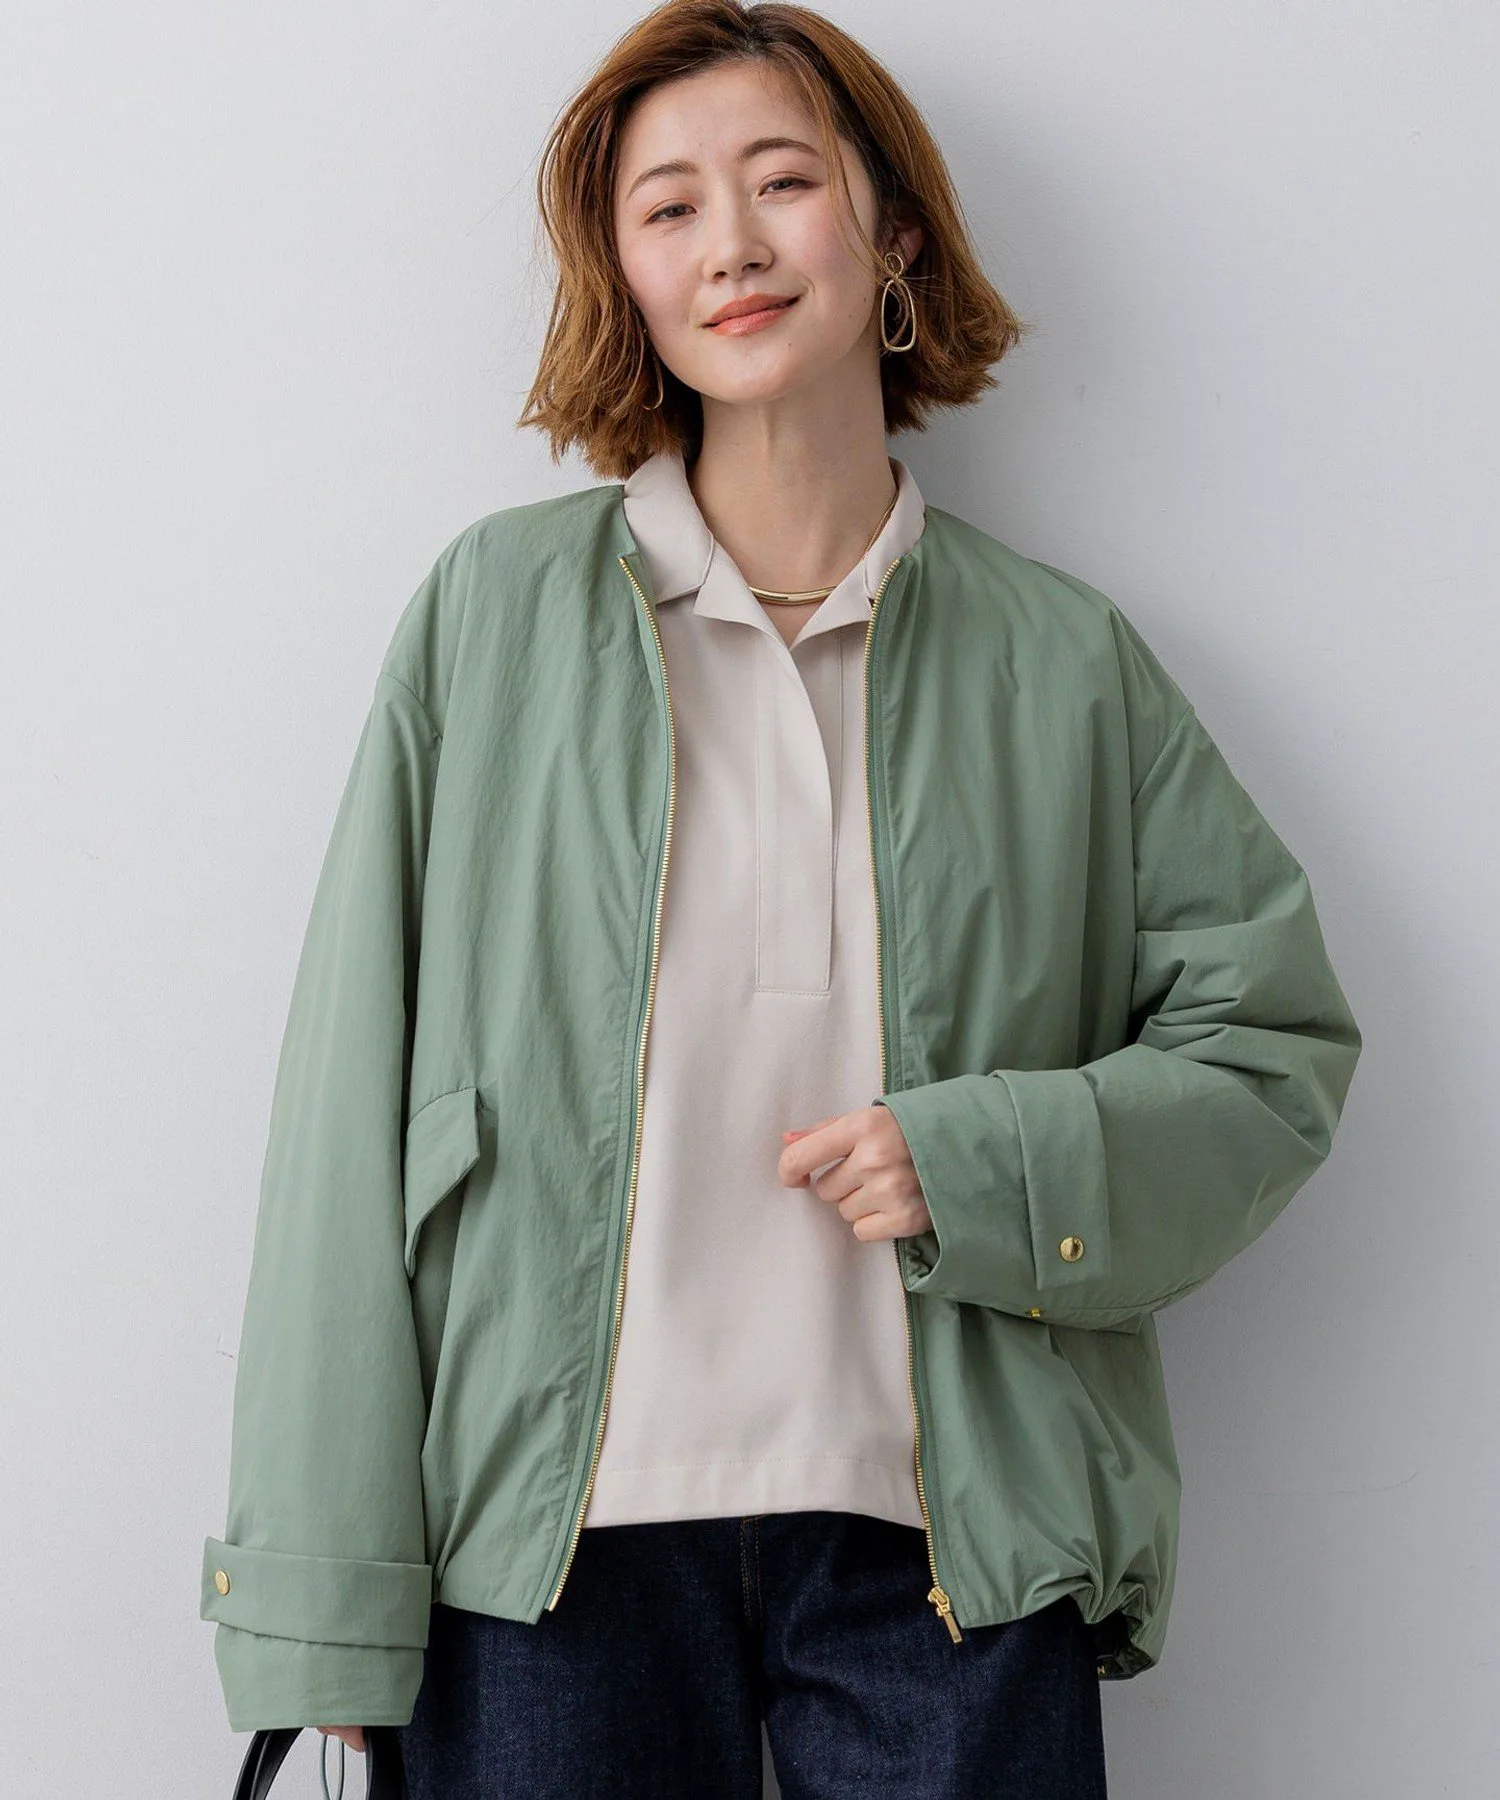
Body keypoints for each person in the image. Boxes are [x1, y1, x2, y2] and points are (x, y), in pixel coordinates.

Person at [198, 3, 1363, 1795]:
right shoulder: (492, 621)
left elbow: (1271, 1048)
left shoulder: (1066, 664)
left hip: (952, 1543)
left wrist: (985, 1164)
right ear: (627, 279)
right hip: (544, 1550)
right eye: (667, 208)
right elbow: (346, 1118)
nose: (730, 242)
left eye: (782, 181)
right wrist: (322, 1598)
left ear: (891, 235)